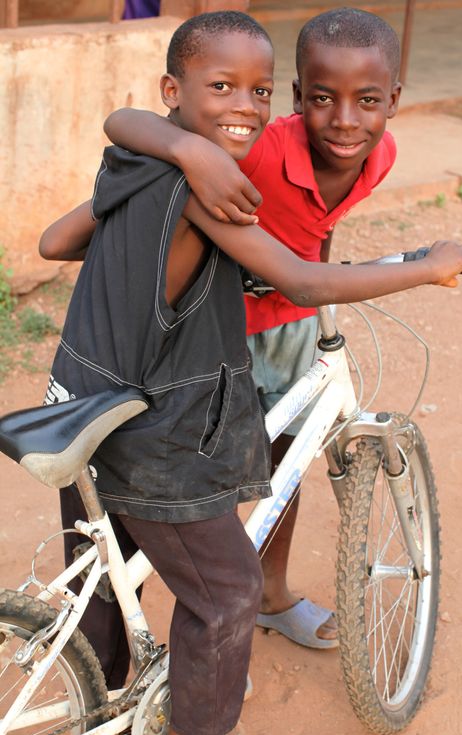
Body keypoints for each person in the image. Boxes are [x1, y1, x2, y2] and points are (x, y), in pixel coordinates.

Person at [39, 10, 462, 735]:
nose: (244, 105)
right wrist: (425, 268)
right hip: (151, 428)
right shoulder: (211, 186)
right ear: (176, 92)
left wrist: (148, 232)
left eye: (257, 91)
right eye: (221, 89)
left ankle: (94, 716)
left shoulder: (135, 158)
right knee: (227, 590)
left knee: (106, 570)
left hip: (81, 395)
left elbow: (55, 239)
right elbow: (302, 284)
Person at [103, 7, 402, 650]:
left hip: (293, 321)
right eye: (323, 99)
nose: (346, 121)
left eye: (368, 101)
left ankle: (269, 593)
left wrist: (312, 271)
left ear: (394, 102)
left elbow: (316, 224)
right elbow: (125, 124)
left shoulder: (378, 156)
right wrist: (187, 147)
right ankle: (193, 614)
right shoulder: (256, 141)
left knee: (284, 460)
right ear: (298, 98)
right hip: (216, 334)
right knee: (203, 473)